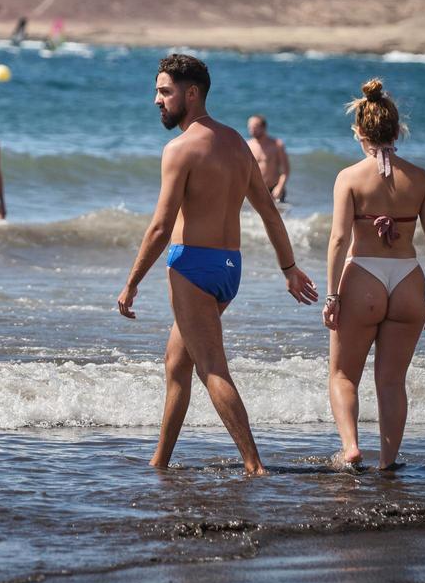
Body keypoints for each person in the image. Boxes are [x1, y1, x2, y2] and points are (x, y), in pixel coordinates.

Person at [116, 54, 317, 474]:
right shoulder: (237, 145)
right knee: (176, 362)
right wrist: (288, 268)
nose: (157, 100)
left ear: (192, 94)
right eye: (157, 90)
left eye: (165, 91)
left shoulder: (180, 149)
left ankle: (254, 464)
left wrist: (132, 282)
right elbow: (269, 212)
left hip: (191, 266)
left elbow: (160, 227)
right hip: (229, 269)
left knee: (211, 368)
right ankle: (160, 462)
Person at [322, 78, 425, 470]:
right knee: (392, 382)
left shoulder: (349, 177)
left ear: (358, 130)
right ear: (397, 131)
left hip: (363, 278)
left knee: (343, 375)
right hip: (409, 278)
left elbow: (340, 239)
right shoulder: (421, 178)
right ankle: (388, 462)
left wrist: (332, 295)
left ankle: (351, 448)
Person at [247, 115, 290, 202]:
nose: (252, 129)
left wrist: (279, 187)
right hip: (255, 190)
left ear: (264, 127)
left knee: (277, 215)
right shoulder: (247, 145)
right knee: (253, 215)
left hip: (274, 189)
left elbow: (286, 170)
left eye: (255, 127)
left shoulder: (277, 145)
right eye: (250, 126)